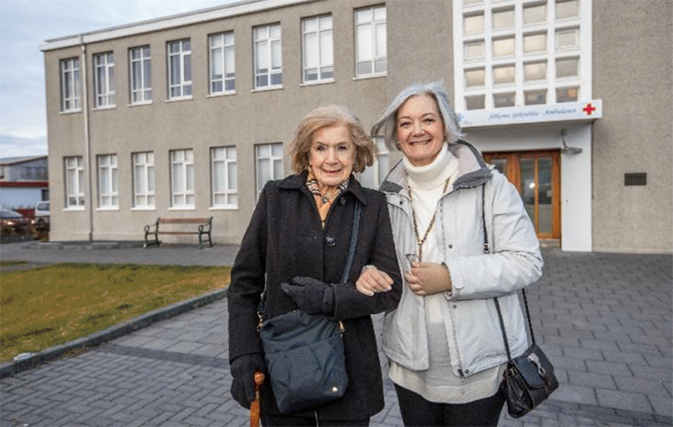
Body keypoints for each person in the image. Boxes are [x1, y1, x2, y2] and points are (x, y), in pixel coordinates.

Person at [357, 81, 543, 427]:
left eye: (428, 119)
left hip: (479, 368)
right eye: (406, 123)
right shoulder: (384, 197)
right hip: (410, 365)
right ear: (396, 136)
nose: (417, 131)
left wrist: (450, 276)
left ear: (446, 127)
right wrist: (368, 271)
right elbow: (375, 260)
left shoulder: (491, 186)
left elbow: (527, 262)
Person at [228, 104, 402, 427]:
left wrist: (332, 298)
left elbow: (391, 291)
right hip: (284, 372)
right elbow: (244, 283)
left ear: (356, 152)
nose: (331, 158)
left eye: (341, 147)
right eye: (321, 148)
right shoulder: (275, 198)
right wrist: (243, 353)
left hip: (349, 380)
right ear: (307, 153)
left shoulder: (374, 206)